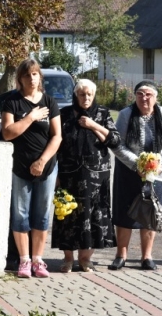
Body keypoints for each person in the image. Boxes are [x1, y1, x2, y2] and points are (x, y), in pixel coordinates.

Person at [110, 80, 162, 271]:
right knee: (124, 212)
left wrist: (159, 165)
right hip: (128, 170)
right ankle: (121, 255)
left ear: (156, 97)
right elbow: (117, 144)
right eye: (140, 94)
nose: (144, 98)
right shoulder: (126, 114)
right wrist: (137, 164)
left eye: (148, 94)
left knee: (151, 212)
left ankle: (146, 256)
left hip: (155, 173)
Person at [1, 58, 62, 279]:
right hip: (20, 167)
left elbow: (57, 136)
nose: (32, 78)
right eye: (27, 75)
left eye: (35, 74)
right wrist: (31, 117)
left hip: (46, 167)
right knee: (21, 214)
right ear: (20, 79)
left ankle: (38, 260)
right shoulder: (12, 102)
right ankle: (24, 260)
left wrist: (43, 161)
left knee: (42, 214)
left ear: (40, 77)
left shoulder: (49, 102)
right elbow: (7, 133)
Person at [51, 79, 119, 273]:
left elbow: (114, 140)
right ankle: (67, 259)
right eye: (82, 94)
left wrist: (93, 125)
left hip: (96, 176)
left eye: (89, 94)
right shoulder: (64, 114)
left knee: (93, 215)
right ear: (75, 95)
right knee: (68, 215)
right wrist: (55, 174)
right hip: (68, 174)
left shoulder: (102, 114)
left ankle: (85, 259)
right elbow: (55, 143)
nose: (86, 98)